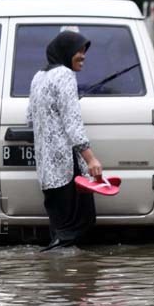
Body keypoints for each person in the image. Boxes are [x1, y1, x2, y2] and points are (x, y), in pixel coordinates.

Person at [27, 30, 103, 251]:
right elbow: (72, 122)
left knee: (60, 228)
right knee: (81, 222)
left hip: (47, 169)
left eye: (84, 50)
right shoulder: (65, 75)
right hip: (66, 165)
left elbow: (30, 117)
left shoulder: (38, 76)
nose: (83, 55)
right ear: (66, 51)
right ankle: (64, 274)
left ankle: (61, 280)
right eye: (79, 51)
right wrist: (91, 159)